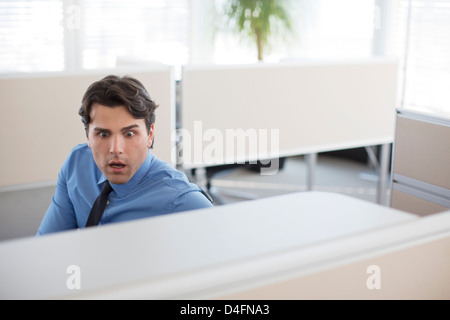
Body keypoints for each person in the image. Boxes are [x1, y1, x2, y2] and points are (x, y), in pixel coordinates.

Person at [37, 75, 213, 235]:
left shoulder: (180, 199)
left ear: (150, 135)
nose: (115, 149)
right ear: (88, 136)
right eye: (103, 134)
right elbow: (46, 246)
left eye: (129, 134)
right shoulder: (77, 164)